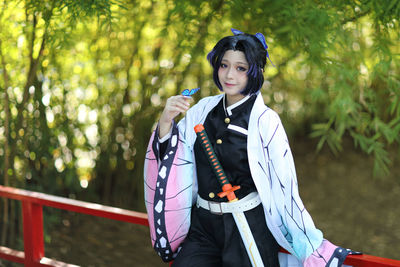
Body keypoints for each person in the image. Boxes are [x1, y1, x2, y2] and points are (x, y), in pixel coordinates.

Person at [144, 29, 351, 267]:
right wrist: (166, 121)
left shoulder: (266, 120)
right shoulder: (202, 109)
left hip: (247, 226)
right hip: (203, 226)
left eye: (241, 68)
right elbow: (174, 159)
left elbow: (284, 186)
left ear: (255, 72)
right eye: (224, 65)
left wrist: (308, 242)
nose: (229, 75)